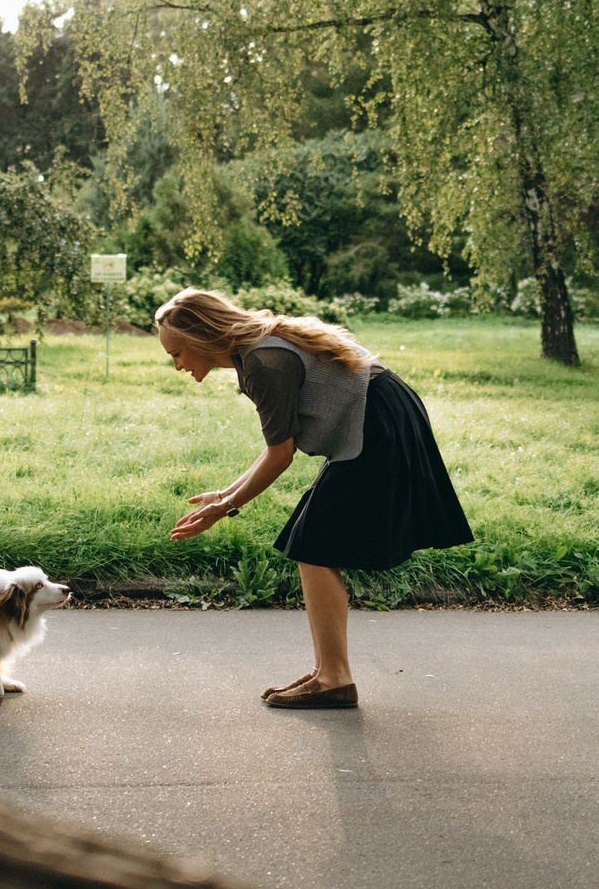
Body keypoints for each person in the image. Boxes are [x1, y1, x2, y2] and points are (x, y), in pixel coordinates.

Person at [157, 288, 473, 710]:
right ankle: (330, 672)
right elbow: (278, 445)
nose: (177, 364)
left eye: (177, 353)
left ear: (201, 337)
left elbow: (279, 456)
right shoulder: (258, 348)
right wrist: (224, 495)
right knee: (313, 543)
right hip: (378, 415)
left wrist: (225, 507)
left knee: (314, 543)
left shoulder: (262, 362)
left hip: (374, 425)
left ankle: (333, 677)